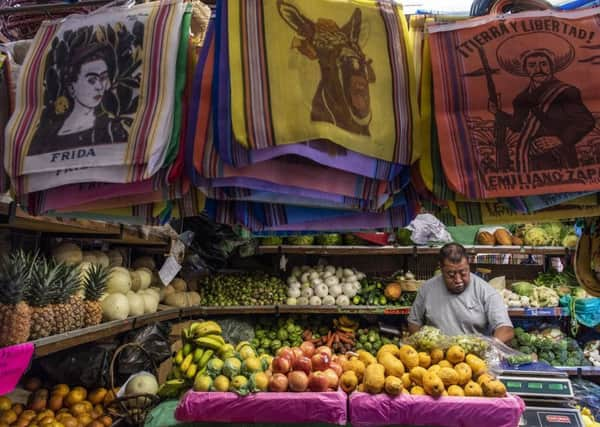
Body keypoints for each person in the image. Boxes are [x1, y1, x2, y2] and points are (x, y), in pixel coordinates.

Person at [490, 34, 595, 172]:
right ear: (525, 70)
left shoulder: (566, 92)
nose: (538, 69)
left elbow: (586, 121)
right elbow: (517, 125)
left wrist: (560, 139)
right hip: (530, 158)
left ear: (552, 67)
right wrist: (497, 113)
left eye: (543, 64)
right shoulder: (521, 98)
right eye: (532, 65)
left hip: (560, 156)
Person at [28, 42, 127, 156]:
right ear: (71, 87)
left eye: (103, 78)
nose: (100, 87)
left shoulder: (112, 129)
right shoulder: (46, 133)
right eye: (92, 80)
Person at [407, 243, 514, 343]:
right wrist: (424, 345)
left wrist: (491, 347)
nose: (458, 280)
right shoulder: (427, 289)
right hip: (437, 358)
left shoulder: (486, 291)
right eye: (451, 274)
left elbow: (506, 329)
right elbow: (414, 323)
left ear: (469, 265)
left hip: (474, 358)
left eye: (463, 273)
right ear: (441, 268)